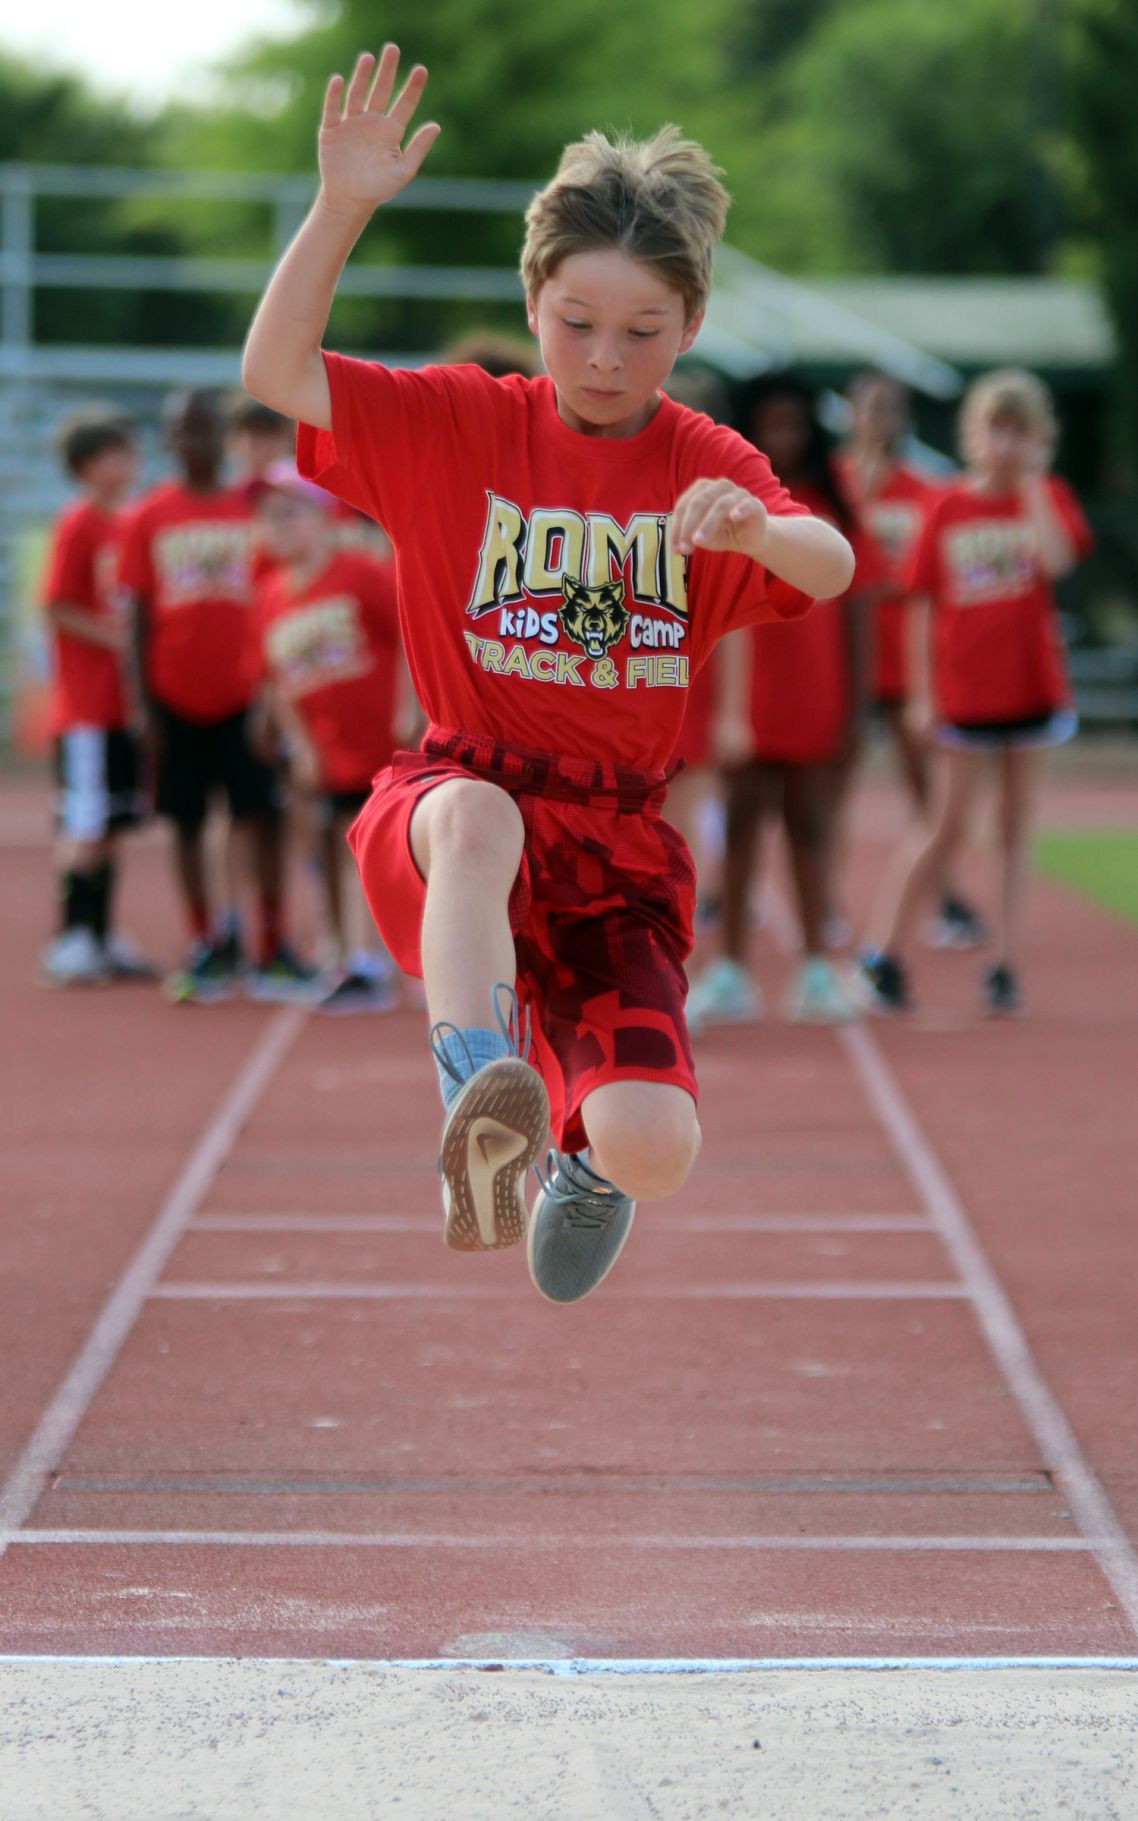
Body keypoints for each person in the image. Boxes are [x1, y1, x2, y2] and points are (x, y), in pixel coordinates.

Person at [242, 43, 853, 1302]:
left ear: (689, 327)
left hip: (616, 848)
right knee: (477, 816)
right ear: (534, 306)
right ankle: (479, 1086)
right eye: (576, 323)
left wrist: (754, 528)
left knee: (658, 1146)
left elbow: (832, 563)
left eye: (643, 331)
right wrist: (341, 208)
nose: (605, 357)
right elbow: (275, 375)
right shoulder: (461, 424)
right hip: (460, 797)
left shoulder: (704, 458)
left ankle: (587, 1163)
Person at [856, 368, 1093, 1017]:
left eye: (1022, 431)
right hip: (965, 692)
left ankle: (1004, 963)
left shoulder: (1045, 498)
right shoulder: (946, 504)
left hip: (1032, 689)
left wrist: (1036, 482)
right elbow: (920, 605)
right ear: (972, 433)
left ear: (1040, 439)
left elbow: (1055, 559)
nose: (1007, 443)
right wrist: (924, 695)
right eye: (996, 427)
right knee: (946, 822)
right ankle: (884, 951)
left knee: (1018, 829)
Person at [686, 376, 877, 1028]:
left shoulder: (829, 504)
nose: (781, 438)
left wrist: (857, 706)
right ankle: (731, 966)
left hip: (814, 688)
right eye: (768, 424)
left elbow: (857, 609)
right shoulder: (729, 502)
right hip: (747, 687)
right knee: (738, 824)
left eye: (793, 425)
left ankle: (818, 966)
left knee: (810, 824)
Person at [119, 389, 316, 1003]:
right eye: (186, 431)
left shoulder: (250, 509)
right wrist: (140, 704)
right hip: (174, 699)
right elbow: (136, 617)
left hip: (245, 697)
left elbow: (274, 602)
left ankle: (272, 942)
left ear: (221, 439)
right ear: (169, 440)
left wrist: (273, 694)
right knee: (185, 823)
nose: (197, 442)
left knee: (262, 817)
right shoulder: (147, 516)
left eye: (207, 430)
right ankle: (207, 939)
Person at [836, 370, 985, 948]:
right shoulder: (833, 484)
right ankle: (827, 905)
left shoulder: (924, 490)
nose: (879, 419)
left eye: (889, 409)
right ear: (850, 414)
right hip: (846, 660)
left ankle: (945, 898)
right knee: (831, 789)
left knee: (928, 791)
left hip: (901, 662)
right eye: (869, 407)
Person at [255, 461, 408, 1011]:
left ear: (321, 517)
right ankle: (344, 953)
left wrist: (409, 709)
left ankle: (369, 958)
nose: (275, 525)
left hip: (381, 742)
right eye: (268, 515)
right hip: (325, 749)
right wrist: (300, 744)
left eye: (289, 512)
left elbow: (411, 635)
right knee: (326, 844)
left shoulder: (362, 573)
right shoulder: (270, 594)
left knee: (371, 847)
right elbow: (277, 681)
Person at [39, 408, 155, 986]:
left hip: (119, 705)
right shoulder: (79, 522)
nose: (128, 461)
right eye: (116, 453)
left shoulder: (126, 521)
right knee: (85, 824)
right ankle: (71, 935)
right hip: (87, 706)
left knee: (111, 823)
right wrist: (116, 638)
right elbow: (57, 603)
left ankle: (101, 935)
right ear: (88, 465)